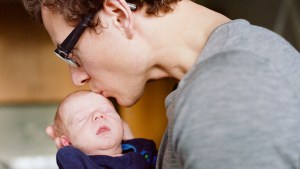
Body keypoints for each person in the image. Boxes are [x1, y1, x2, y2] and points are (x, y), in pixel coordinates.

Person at [23, 0, 300, 168]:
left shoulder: (224, 91)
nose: (77, 77)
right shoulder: (220, 77)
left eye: (70, 53)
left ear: (119, 15)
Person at [53, 90, 157, 169]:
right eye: (82, 118)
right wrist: (66, 150)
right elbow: (66, 156)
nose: (98, 115)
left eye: (107, 111)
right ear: (67, 142)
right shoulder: (82, 164)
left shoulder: (145, 148)